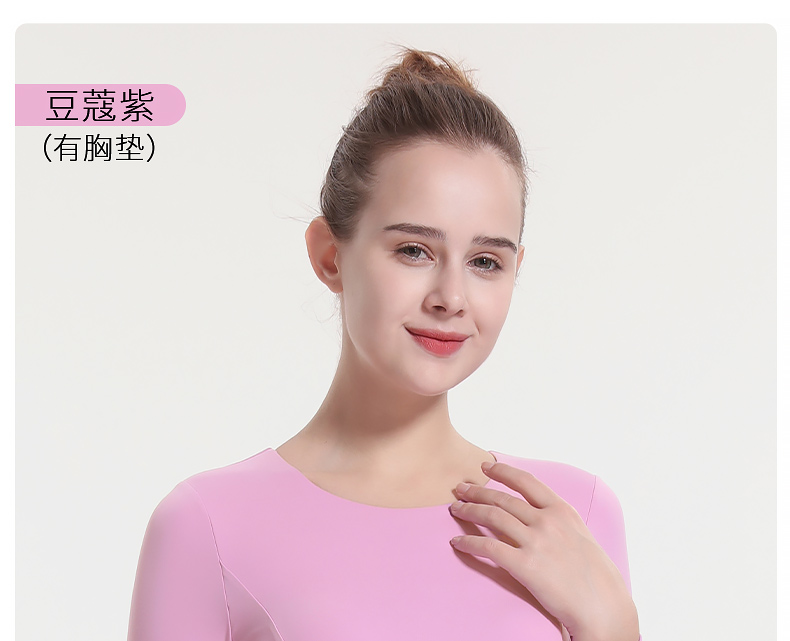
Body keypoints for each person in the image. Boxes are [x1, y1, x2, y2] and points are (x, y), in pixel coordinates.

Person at [127, 48, 640, 641]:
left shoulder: (574, 514)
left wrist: (615, 628)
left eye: (485, 261)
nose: (451, 297)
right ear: (330, 256)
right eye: (413, 251)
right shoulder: (207, 526)